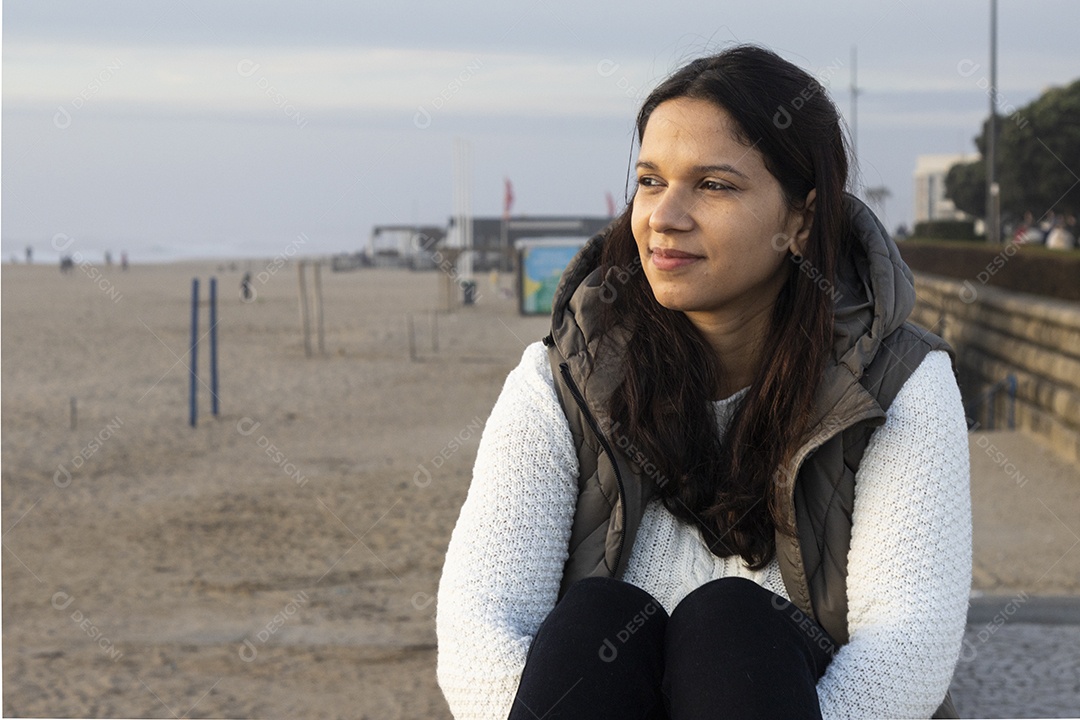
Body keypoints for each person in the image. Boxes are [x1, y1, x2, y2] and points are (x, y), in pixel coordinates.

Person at [437, 45, 970, 720]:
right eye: (651, 181)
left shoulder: (899, 382)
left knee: (731, 626)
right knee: (597, 622)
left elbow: (908, 648)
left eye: (713, 185)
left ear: (802, 221)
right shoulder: (561, 378)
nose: (664, 215)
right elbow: (478, 630)